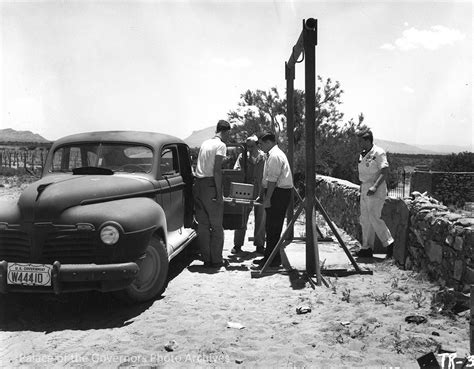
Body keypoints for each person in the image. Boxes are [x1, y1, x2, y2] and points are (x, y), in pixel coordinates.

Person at [193, 120, 231, 268]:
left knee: (202, 225)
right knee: (216, 226)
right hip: (210, 185)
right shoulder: (221, 145)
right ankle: (216, 260)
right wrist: (219, 193)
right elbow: (217, 171)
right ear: (226, 131)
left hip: (198, 184)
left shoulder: (205, 143)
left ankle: (206, 259)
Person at [253, 132, 293, 268]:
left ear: (269, 143)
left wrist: (268, 198)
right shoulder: (271, 154)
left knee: (273, 228)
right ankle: (270, 258)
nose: (260, 146)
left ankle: (272, 260)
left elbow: (272, 180)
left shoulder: (275, 156)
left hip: (278, 193)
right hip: (276, 192)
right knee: (271, 228)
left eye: (261, 144)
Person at [355, 129, 395, 258]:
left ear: (367, 140)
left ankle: (389, 243)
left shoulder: (378, 152)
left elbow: (384, 171)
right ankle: (366, 247)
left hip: (376, 188)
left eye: (360, 140)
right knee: (365, 219)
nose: (359, 143)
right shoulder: (363, 154)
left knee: (374, 216)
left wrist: (375, 186)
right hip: (365, 187)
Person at [231, 135, 266, 255]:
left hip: (260, 189)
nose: (249, 149)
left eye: (251, 146)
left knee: (261, 218)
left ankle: (260, 245)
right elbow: (236, 170)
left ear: (257, 145)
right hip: (246, 189)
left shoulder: (264, 157)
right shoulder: (242, 157)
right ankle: (237, 244)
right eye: (248, 146)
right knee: (242, 216)